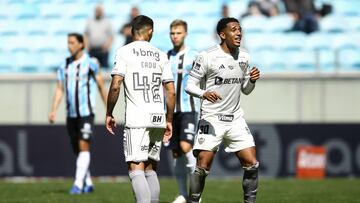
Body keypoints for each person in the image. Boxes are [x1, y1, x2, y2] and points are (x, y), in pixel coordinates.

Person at [185, 17, 261, 203]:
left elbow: (245, 90)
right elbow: (189, 85)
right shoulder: (207, 56)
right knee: (202, 166)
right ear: (222, 34)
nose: (239, 33)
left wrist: (251, 80)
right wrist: (204, 93)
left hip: (235, 118)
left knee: (252, 164)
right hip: (212, 119)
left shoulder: (244, 56)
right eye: (234, 30)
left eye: (240, 30)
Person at [105, 15, 175, 203]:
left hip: (137, 119)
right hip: (157, 118)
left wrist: (109, 112)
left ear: (131, 31)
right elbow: (170, 91)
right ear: (150, 31)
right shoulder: (161, 55)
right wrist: (169, 119)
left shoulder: (124, 52)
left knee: (136, 168)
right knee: (150, 168)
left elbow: (115, 85)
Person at [48, 33, 107, 194]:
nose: (69, 46)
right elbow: (60, 89)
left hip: (86, 112)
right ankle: (87, 182)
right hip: (71, 113)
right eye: (68, 42)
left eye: (72, 42)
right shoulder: (64, 65)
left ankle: (78, 184)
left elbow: (101, 86)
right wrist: (53, 110)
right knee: (77, 149)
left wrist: (109, 110)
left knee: (83, 144)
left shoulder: (91, 63)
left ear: (81, 44)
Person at [165, 19, 199, 203]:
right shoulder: (165, 56)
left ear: (185, 33)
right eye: (172, 33)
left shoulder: (194, 55)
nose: (175, 36)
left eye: (178, 32)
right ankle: (182, 194)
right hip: (170, 111)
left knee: (186, 147)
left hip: (189, 109)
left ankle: (196, 194)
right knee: (176, 152)